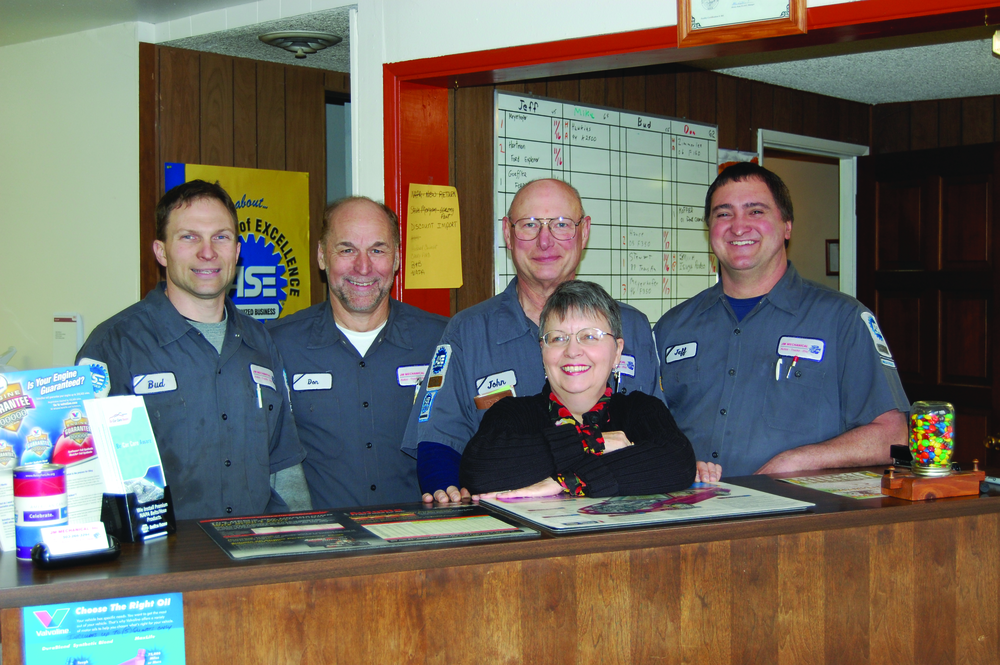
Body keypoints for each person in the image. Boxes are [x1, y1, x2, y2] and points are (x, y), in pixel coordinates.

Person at [401, 178, 664, 504]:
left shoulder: (632, 326)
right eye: (529, 225)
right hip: (505, 531)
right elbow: (439, 438)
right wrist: (448, 495)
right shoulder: (468, 332)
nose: (545, 241)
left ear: (584, 232)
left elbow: (659, 440)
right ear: (507, 234)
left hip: (615, 525)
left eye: (561, 224)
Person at [653, 163, 909, 477]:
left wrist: (798, 460)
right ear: (710, 229)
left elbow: (892, 436)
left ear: (786, 225)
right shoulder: (672, 327)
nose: (738, 226)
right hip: (693, 515)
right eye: (723, 214)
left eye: (755, 211)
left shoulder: (844, 319)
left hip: (798, 519)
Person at [77, 180, 308, 520]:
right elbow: (83, 474)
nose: (208, 252)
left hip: (254, 555)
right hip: (160, 563)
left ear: (237, 249)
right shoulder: (115, 345)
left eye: (221, 237)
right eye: (189, 237)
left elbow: (283, 465)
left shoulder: (260, 342)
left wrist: (301, 546)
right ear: (161, 251)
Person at [268, 197, 447, 508]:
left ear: (396, 259)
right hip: (322, 548)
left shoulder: (443, 340)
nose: (363, 267)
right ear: (322, 256)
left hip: (420, 544)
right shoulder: (276, 345)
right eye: (347, 249)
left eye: (377, 250)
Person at [460, 280, 697, 498]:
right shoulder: (512, 413)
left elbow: (678, 462)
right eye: (558, 338)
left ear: (617, 352)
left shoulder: (640, 409)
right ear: (542, 350)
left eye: (590, 337)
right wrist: (593, 442)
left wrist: (569, 480)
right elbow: (479, 470)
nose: (573, 351)